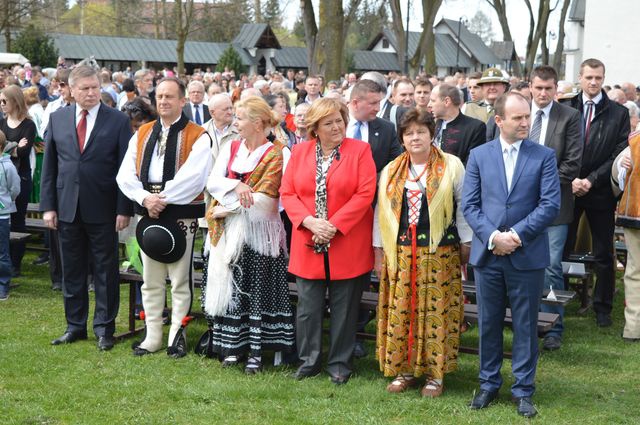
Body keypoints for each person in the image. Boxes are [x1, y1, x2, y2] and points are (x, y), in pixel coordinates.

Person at [462, 92, 560, 418]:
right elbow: (470, 206)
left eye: (527, 116)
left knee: (525, 324)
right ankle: (488, 384)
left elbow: (549, 205)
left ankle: (523, 390)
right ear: (499, 120)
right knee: (488, 323)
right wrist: (493, 237)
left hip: (527, 255)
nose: (525, 122)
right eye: (518, 117)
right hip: (488, 256)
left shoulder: (544, 156)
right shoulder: (478, 155)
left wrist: (515, 236)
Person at [374, 108, 471, 397]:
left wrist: (466, 243)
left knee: (435, 312)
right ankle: (404, 370)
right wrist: (380, 250)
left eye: (421, 131)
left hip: (439, 252)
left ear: (432, 134)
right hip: (402, 252)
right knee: (404, 310)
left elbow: (463, 208)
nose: (415, 137)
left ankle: (434, 374)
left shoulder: (452, 166)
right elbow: (383, 213)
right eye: (409, 133)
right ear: (402, 138)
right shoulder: (391, 170)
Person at [280, 97, 377, 385]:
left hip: (347, 243)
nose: (336, 127)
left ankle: (339, 364)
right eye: (329, 122)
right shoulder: (299, 152)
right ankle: (309, 361)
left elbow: (364, 193)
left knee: (345, 309)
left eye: (340, 120)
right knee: (308, 309)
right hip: (308, 241)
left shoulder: (360, 150)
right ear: (315, 128)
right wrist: (309, 222)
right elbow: (288, 193)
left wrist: (333, 226)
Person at [116, 77, 212, 358]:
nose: (164, 101)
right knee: (151, 278)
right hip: (148, 210)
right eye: (159, 96)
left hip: (179, 211)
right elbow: (124, 173)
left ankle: (176, 336)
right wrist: (145, 198)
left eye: (170, 96)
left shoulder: (198, 135)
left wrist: (162, 199)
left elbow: (194, 177)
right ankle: (153, 335)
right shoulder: (143, 132)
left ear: (183, 101)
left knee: (180, 279)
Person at [41, 65, 133, 351]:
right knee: (72, 270)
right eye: (85, 88)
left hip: (104, 209)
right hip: (67, 208)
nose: (92, 92)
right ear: (71, 90)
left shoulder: (117, 121)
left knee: (106, 271)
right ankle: (75, 326)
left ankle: (104, 328)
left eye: (95, 87)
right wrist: (49, 207)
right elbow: (50, 168)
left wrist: (124, 209)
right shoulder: (57, 119)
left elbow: (125, 169)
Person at [203, 96, 294, 374]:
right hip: (228, 235)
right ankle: (232, 347)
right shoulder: (231, 148)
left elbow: (272, 200)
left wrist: (229, 208)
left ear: (257, 123)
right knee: (231, 288)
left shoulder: (280, 153)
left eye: (240, 118)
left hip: (260, 235)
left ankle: (256, 350)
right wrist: (237, 185)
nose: (235, 123)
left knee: (257, 291)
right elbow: (213, 182)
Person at [566, 58, 630, 327]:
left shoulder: (618, 113)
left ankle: (603, 307)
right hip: (568, 189)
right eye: (589, 77)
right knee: (561, 248)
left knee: (604, 254)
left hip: (600, 191)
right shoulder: (566, 107)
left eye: (598, 78)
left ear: (603, 78)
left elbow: (618, 152)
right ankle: (558, 299)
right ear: (580, 77)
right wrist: (571, 180)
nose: (593, 82)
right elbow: (559, 147)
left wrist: (591, 180)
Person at [527, 66, 583, 351]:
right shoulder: (520, 113)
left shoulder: (570, 117)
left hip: (555, 205)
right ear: (530, 86)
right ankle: (524, 321)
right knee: (520, 265)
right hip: (519, 206)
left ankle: (552, 326)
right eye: (538, 88)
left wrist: (537, 186)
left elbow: (572, 163)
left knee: (550, 267)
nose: (543, 94)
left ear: (556, 89)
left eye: (548, 88)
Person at [0, 85, 36, 277]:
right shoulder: (2, 122)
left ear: (14, 101)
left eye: (4, 101)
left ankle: (16, 263)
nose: (1, 105)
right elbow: (15, 149)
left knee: (18, 219)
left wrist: (7, 147)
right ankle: (5, 259)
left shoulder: (28, 125)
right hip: (3, 177)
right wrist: (13, 147)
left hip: (20, 177)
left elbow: (23, 151)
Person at [613, 136, 640, 342]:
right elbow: (618, 177)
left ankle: (633, 328)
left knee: (634, 272)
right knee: (634, 272)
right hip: (634, 214)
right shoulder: (635, 141)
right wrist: (622, 165)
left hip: (634, 213)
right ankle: (633, 328)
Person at [429, 83, 486, 165]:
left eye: (433, 101)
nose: (429, 105)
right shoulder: (431, 124)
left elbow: (472, 164)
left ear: (447, 101)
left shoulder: (475, 127)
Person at [0, 130, 20, 301]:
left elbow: (14, 189)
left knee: (2, 252)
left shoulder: (7, 166)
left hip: (2, 216)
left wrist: (6, 202)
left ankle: (3, 285)